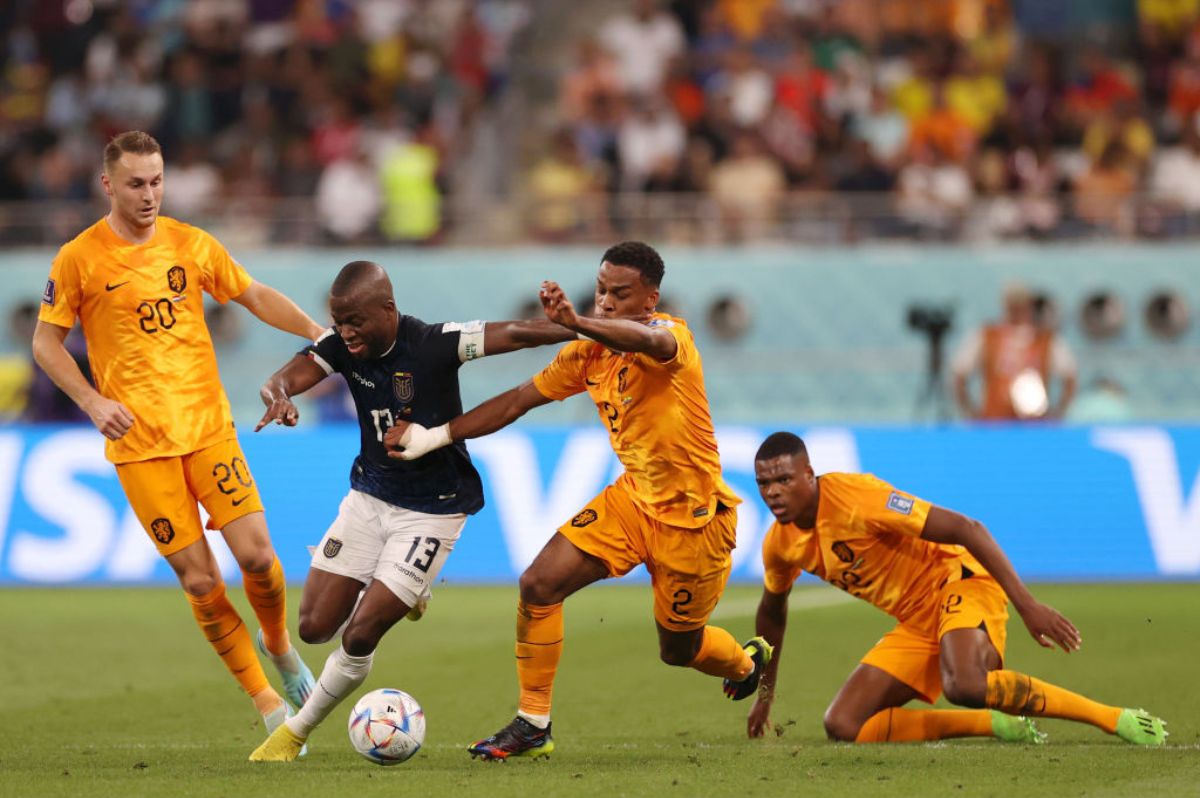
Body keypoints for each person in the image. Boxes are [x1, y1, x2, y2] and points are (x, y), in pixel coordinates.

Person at [385, 241, 769, 761]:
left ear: (650, 298)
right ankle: (533, 723)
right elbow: (519, 400)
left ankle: (745, 665)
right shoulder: (586, 354)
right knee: (539, 584)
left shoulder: (672, 338)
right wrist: (435, 436)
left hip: (695, 522)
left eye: (620, 293)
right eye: (600, 290)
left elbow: (644, 340)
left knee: (679, 649)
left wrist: (580, 320)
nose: (606, 302)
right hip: (632, 502)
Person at [31, 130, 320, 737]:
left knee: (260, 561)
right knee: (200, 580)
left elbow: (254, 294)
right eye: (136, 183)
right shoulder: (78, 258)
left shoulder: (191, 244)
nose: (149, 195)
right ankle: (268, 704)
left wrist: (323, 338)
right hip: (140, 448)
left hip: (208, 429)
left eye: (157, 181)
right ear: (108, 185)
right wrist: (90, 400)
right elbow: (45, 342)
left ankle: (278, 645)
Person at [248, 260, 582, 761]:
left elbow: (513, 333)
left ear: (388, 309)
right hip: (368, 497)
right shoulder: (340, 347)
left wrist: (575, 325)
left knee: (361, 633)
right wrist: (279, 398)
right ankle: (404, 589)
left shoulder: (433, 343)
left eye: (355, 320)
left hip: (434, 508)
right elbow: (281, 379)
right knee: (314, 628)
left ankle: (295, 732)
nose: (345, 332)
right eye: (338, 321)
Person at [742, 431, 1167, 746]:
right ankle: (995, 724)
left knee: (964, 684)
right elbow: (771, 614)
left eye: (784, 480)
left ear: (809, 474)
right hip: (918, 620)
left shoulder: (858, 498)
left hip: (960, 582)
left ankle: (1112, 718)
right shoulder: (779, 546)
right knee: (843, 725)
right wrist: (764, 693)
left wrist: (1027, 605)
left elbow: (967, 528)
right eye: (764, 484)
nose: (773, 492)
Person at [952, 283, 1077, 420]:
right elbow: (960, 374)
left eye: (1020, 302)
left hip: (1035, 425)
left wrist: (1057, 414)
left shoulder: (1046, 340)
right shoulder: (987, 336)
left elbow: (1069, 377)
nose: (1016, 308)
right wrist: (971, 414)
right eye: (1012, 302)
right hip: (995, 423)